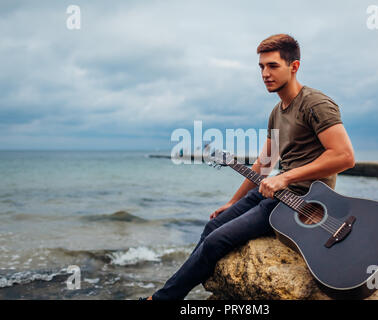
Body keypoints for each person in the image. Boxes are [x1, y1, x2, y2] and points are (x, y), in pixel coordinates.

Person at [147, 34, 355, 300]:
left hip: (302, 200)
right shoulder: (277, 111)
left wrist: (285, 178)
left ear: (294, 67)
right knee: (211, 227)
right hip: (274, 191)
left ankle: (162, 298)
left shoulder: (315, 104)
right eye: (261, 67)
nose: (265, 74)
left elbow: (344, 156)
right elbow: (264, 164)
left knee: (215, 242)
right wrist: (234, 202)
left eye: (273, 66)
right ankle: (173, 292)